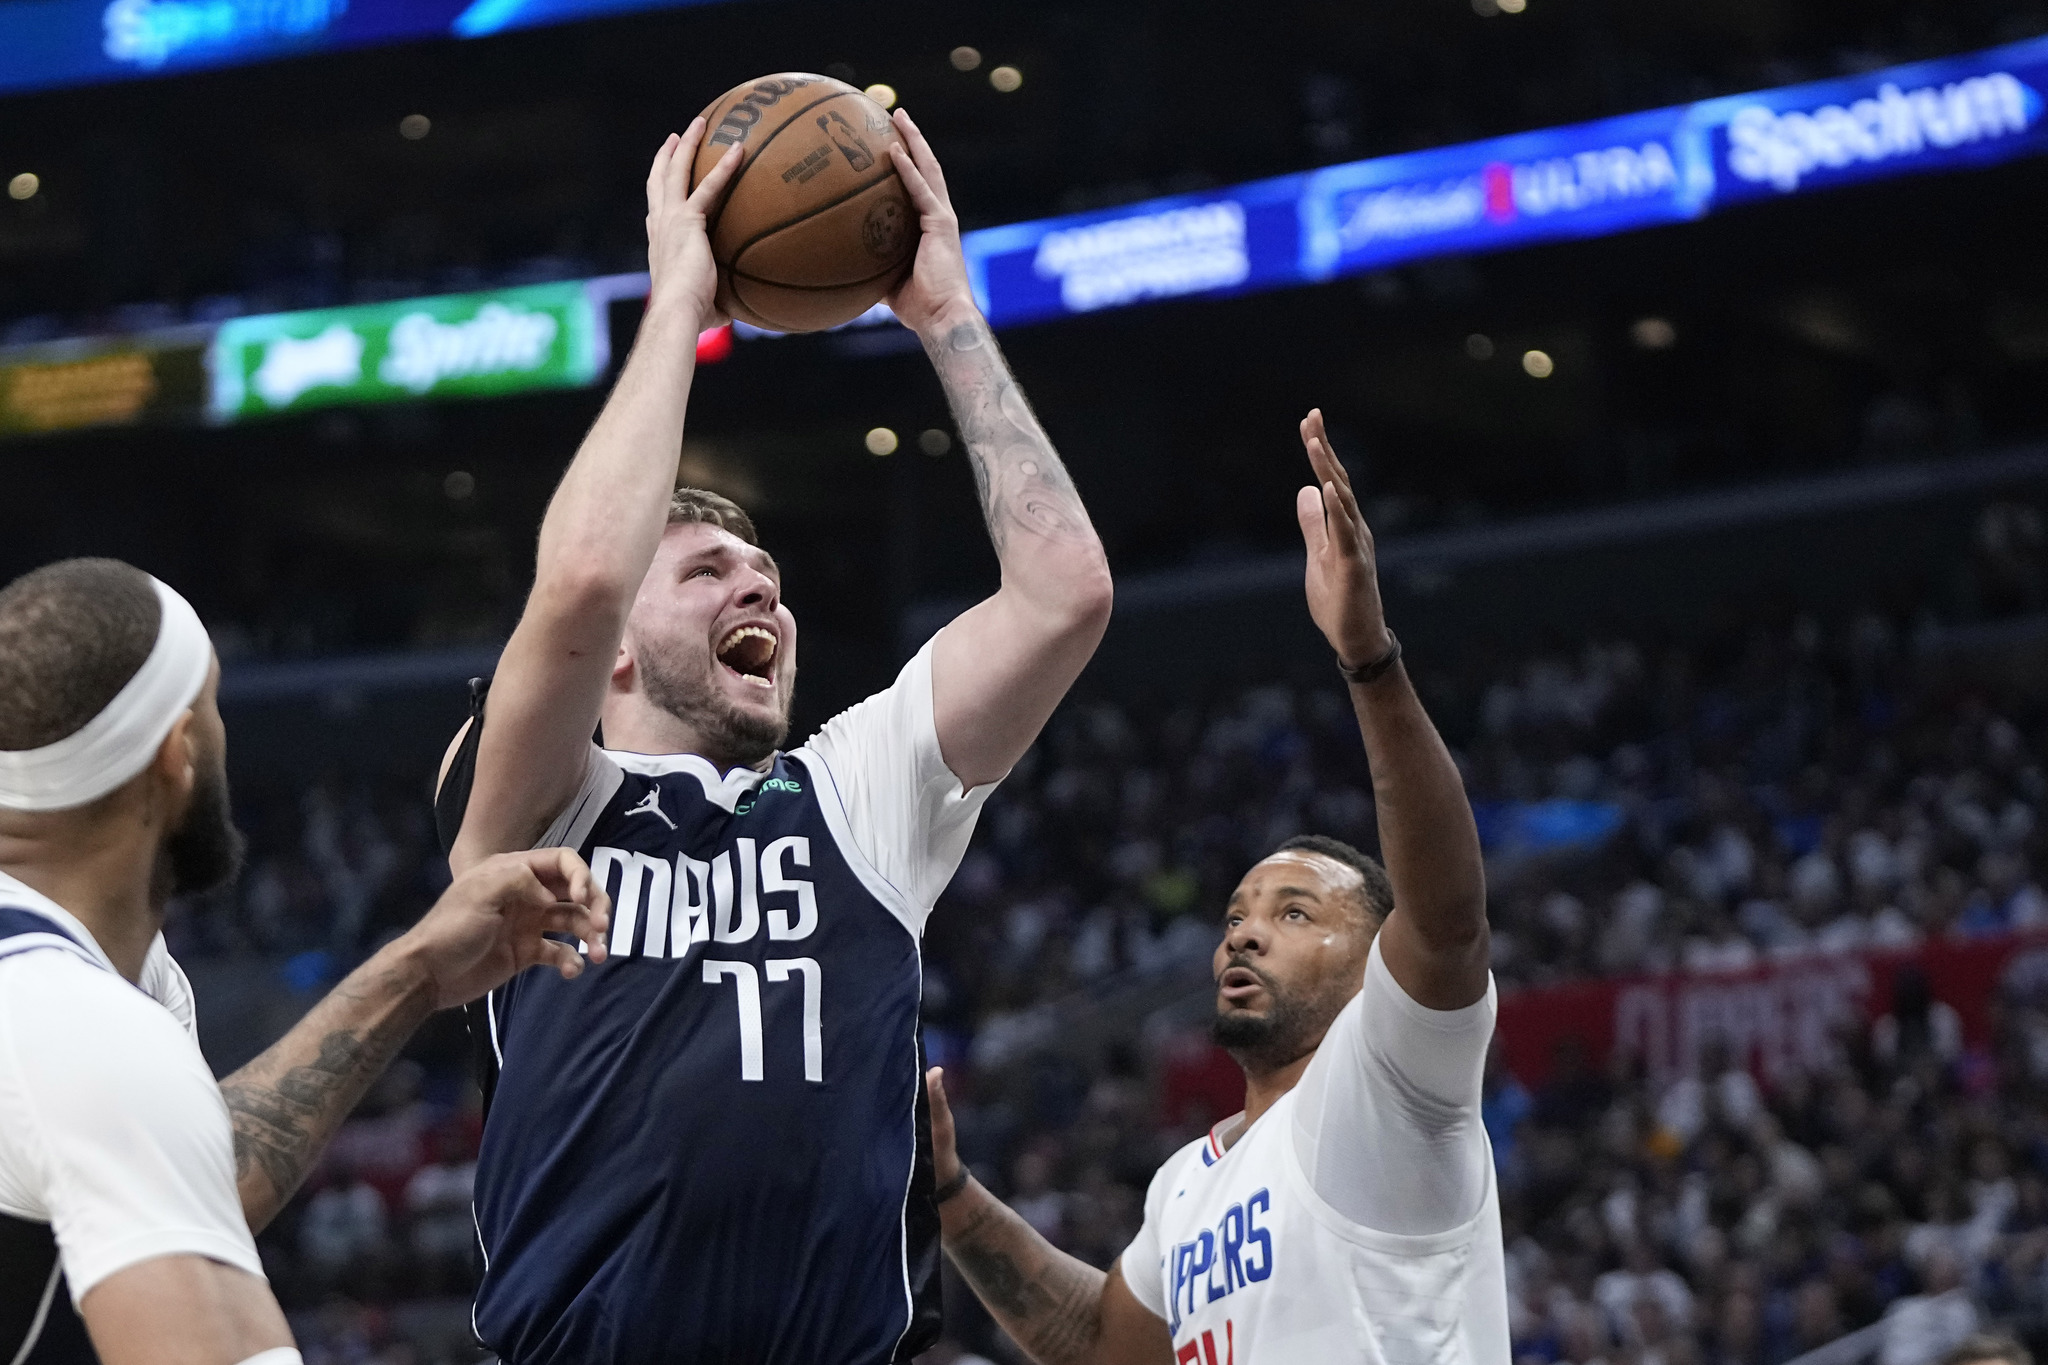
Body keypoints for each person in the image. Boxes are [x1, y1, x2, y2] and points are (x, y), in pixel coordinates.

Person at [434, 109, 1112, 1365]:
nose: (759, 590)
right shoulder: (534, 801)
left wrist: (943, 313)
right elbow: (582, 576)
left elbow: (1064, 594)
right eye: (703, 572)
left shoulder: (856, 794)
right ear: (618, 654)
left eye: (767, 574)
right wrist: (681, 295)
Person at [922, 410, 1506, 1364]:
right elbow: (1102, 1342)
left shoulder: (1392, 1079)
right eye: (1236, 915)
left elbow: (1445, 920)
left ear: (1373, 964)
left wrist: (1368, 658)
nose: (1242, 933)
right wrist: (951, 1197)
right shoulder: (1187, 1180)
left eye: (1294, 911)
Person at [0, 558, 610, 1365]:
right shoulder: (80, 1027)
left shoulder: (80, 991)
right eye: (213, 704)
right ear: (178, 752)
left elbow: (188, 1166)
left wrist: (415, 972)